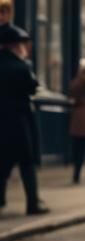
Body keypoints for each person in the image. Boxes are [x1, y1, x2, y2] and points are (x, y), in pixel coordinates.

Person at [0, 24, 49, 216]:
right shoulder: (22, 67)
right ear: (15, 46)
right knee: (26, 163)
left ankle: (1, 199)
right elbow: (32, 87)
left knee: (2, 163)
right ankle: (33, 202)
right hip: (19, 121)